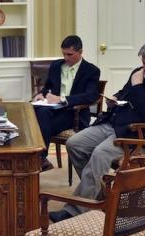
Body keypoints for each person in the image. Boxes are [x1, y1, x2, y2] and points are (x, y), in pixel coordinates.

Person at [49, 39, 145, 223]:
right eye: (143, 63)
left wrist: (138, 87)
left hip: (140, 135)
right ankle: (98, 196)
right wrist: (115, 98)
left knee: (100, 154)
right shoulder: (139, 73)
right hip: (116, 123)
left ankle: (76, 209)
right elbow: (125, 93)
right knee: (75, 144)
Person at [32, 35, 100, 171]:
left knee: (39, 120)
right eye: (64, 54)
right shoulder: (56, 65)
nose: (66, 58)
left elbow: (91, 95)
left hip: (74, 113)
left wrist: (63, 99)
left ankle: (39, 158)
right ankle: (40, 159)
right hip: (53, 110)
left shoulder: (91, 70)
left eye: (70, 54)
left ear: (80, 52)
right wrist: (42, 94)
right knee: (34, 112)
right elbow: (48, 87)